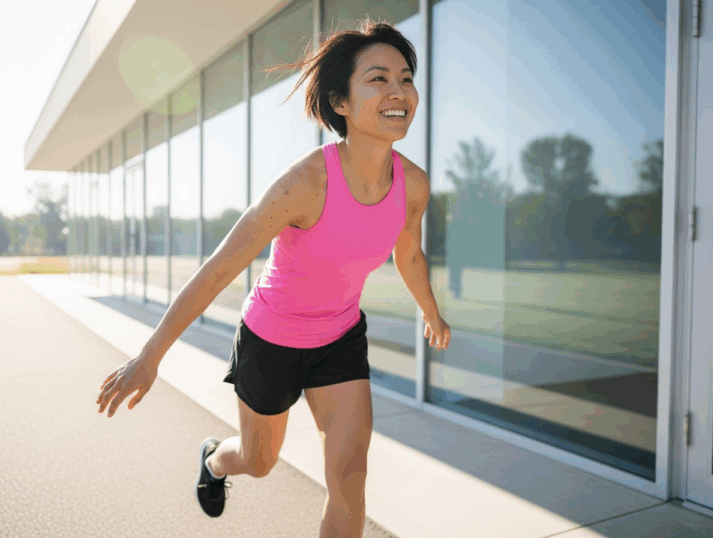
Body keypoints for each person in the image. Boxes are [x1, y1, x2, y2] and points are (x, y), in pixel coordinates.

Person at [95, 18, 451, 537]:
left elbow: (410, 256)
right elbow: (220, 267)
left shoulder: (412, 185)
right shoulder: (304, 184)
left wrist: (431, 310)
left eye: (406, 78)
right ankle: (216, 460)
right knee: (259, 461)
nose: (399, 91)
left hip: (340, 338)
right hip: (270, 339)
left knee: (350, 478)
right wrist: (150, 356)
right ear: (341, 102)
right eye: (379, 78)